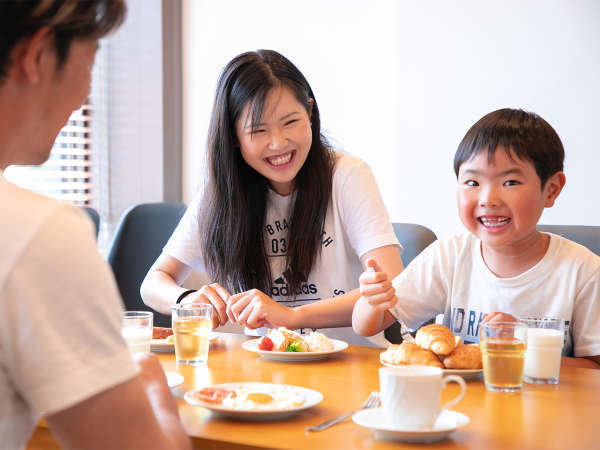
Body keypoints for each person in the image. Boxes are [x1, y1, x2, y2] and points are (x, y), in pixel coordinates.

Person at [0, 1, 191, 448]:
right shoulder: (38, 235)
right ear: (41, 55)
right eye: (89, 65)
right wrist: (151, 386)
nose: (85, 95)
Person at [141, 50, 403, 340]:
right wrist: (186, 299)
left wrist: (292, 316)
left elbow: (392, 287)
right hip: (266, 365)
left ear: (311, 114)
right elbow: (153, 283)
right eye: (258, 130)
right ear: (234, 138)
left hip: (350, 363)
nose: (278, 143)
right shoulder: (223, 193)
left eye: (290, 122)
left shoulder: (347, 175)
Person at [353, 108, 600, 368]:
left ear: (551, 190)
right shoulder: (450, 254)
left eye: (511, 182)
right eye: (472, 183)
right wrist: (372, 300)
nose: (488, 199)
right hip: (460, 404)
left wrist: (521, 351)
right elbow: (366, 325)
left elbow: (595, 369)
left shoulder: (583, 271)